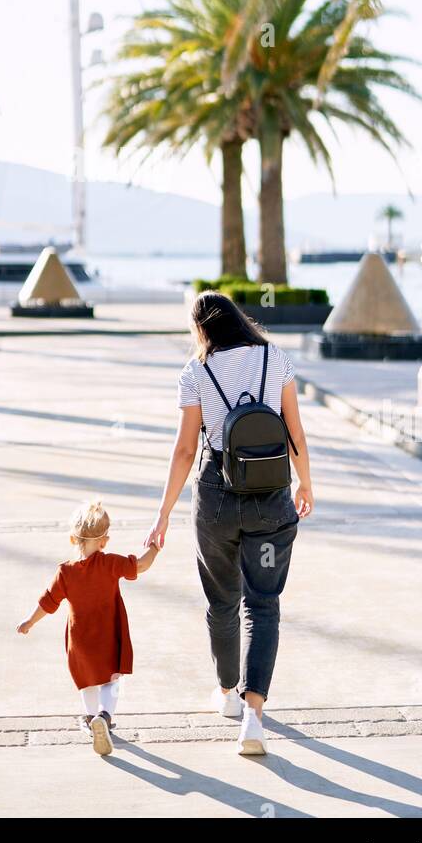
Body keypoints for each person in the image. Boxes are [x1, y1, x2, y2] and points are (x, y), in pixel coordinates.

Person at [145, 291, 314, 755]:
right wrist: (306, 485)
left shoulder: (196, 371)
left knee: (222, 600)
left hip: (217, 500)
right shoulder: (274, 358)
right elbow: (294, 430)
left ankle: (226, 694)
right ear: (240, 319)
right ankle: (253, 718)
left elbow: (183, 450)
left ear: (202, 328)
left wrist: (162, 515)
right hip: (270, 498)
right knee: (262, 603)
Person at [18, 498, 159, 756]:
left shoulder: (65, 572)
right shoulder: (111, 563)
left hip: (80, 640)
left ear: (73, 540)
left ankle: (91, 718)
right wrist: (155, 546)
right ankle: (104, 718)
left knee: (87, 681)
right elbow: (141, 564)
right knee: (111, 678)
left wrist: (29, 621)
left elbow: (48, 602)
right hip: (109, 635)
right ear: (104, 541)